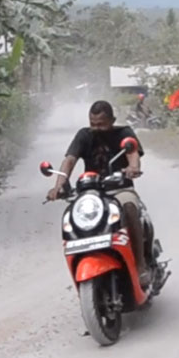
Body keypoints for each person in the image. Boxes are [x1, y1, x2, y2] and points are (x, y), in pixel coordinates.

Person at [46, 100, 152, 286]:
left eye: (101, 124)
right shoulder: (84, 135)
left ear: (112, 120)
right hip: (92, 192)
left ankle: (140, 266)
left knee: (129, 207)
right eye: (93, 123)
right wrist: (59, 185)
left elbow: (132, 153)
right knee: (73, 216)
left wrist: (132, 167)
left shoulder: (124, 133)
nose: (96, 128)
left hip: (119, 188)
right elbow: (70, 160)